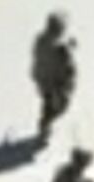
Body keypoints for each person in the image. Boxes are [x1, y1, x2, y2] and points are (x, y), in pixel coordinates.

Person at [31, 12, 77, 142]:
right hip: (53, 82)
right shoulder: (50, 43)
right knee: (57, 105)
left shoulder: (43, 40)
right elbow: (58, 57)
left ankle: (45, 127)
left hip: (48, 80)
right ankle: (45, 127)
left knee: (51, 104)